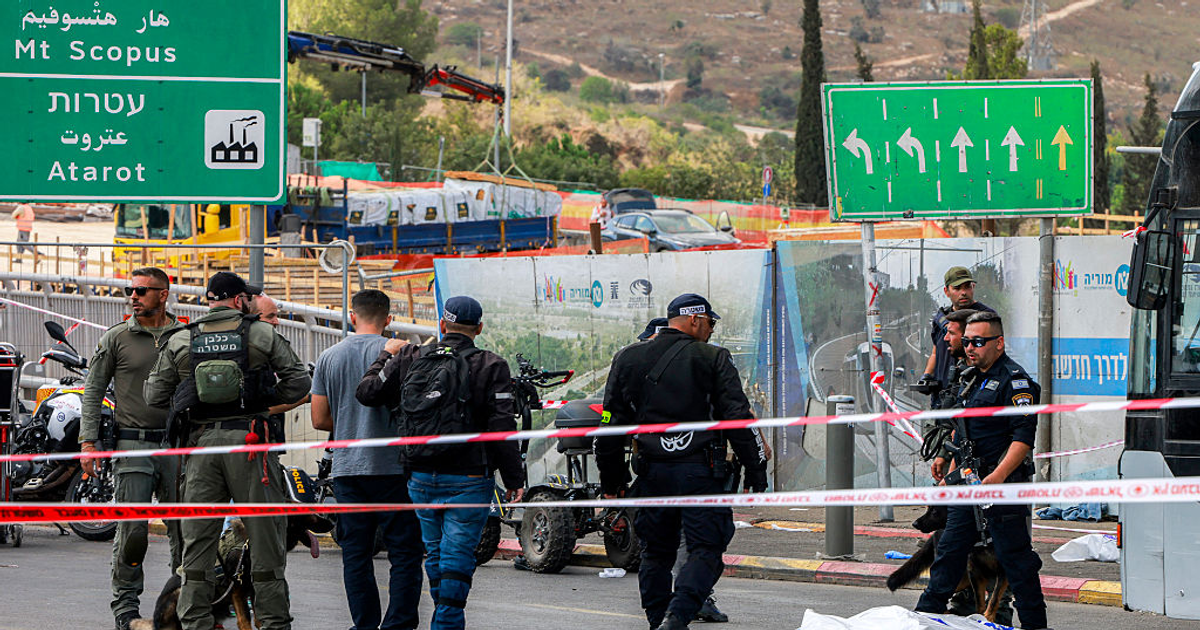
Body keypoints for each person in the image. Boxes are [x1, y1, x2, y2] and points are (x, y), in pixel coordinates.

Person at [144, 271, 311, 630]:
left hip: (201, 448)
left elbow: (153, 395)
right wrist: (263, 402)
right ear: (239, 301)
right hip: (251, 446)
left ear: (209, 300)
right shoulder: (261, 334)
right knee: (265, 542)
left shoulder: (182, 339)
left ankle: (196, 625)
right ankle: (273, 624)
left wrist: (191, 398)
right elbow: (299, 382)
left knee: (198, 546)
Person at [597, 294, 768, 630]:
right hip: (701, 472)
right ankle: (677, 617)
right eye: (710, 322)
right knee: (706, 548)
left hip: (651, 472)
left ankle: (658, 619)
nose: (712, 330)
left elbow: (609, 427)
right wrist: (756, 470)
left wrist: (612, 483)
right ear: (694, 320)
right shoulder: (713, 357)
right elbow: (737, 420)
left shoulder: (627, 359)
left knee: (656, 553)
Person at [356, 295, 524, 630]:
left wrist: (383, 357)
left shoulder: (409, 356)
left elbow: (367, 392)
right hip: (469, 477)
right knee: (457, 558)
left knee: (436, 556)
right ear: (478, 328)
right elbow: (502, 427)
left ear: (442, 325)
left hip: (419, 475)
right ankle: (446, 623)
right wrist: (514, 478)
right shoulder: (491, 364)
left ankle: (444, 617)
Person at [915, 311, 1047, 629]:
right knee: (947, 553)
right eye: (967, 341)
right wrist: (951, 466)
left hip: (1002, 487)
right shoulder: (972, 378)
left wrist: (998, 477)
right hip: (970, 485)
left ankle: (1035, 626)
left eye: (978, 341)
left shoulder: (1016, 383)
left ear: (998, 343)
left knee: (1015, 561)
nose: (970, 347)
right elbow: (964, 431)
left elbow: (1023, 439)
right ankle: (919, 619)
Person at [79, 267, 186, 630]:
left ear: (163, 294)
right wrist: (88, 443)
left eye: (142, 290)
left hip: (177, 447)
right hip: (132, 443)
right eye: (131, 289)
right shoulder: (117, 338)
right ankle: (126, 609)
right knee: (133, 532)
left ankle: (185, 604)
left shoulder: (183, 336)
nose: (134, 296)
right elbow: (92, 390)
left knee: (184, 533)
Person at [311, 290, 424, 630]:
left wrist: (348, 420)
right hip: (394, 469)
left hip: (348, 470)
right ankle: (399, 624)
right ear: (388, 319)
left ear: (352, 315)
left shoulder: (330, 356)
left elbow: (318, 419)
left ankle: (365, 625)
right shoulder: (405, 354)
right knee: (404, 554)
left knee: (356, 555)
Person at [919, 267, 995, 408]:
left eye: (967, 287)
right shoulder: (940, 319)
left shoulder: (986, 317)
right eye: (957, 288)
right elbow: (936, 352)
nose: (963, 292)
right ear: (946, 291)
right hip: (941, 398)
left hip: (969, 397)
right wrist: (927, 376)